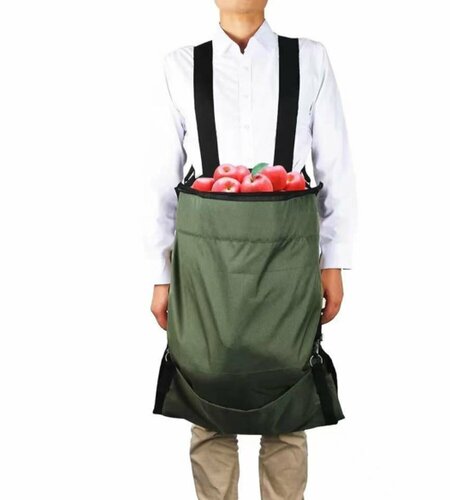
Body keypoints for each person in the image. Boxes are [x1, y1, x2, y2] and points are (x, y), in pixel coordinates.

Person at [144, 1, 357, 498]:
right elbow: (158, 180)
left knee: (288, 394)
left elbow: (336, 166)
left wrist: (334, 261)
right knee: (206, 390)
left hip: (288, 258)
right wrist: (160, 273)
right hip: (204, 265)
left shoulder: (310, 59)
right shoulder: (180, 65)